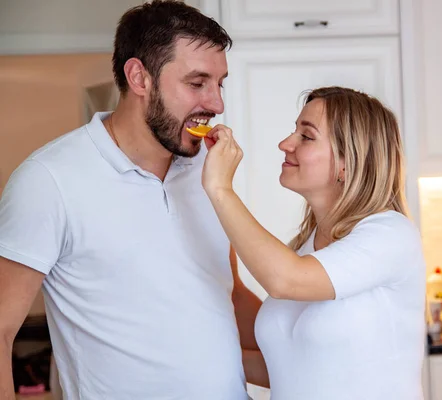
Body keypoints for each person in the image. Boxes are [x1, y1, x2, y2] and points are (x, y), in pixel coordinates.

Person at [0, 1, 266, 399]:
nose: (216, 104)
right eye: (197, 83)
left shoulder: (205, 172)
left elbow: (229, 293)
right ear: (139, 77)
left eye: (219, 83)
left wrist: (314, 348)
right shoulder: (49, 179)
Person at [202, 86, 427, 399]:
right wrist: (189, 358)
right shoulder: (305, 246)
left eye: (306, 136)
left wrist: (220, 188)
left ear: (349, 161)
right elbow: (286, 369)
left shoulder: (390, 235)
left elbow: (285, 280)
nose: (285, 144)